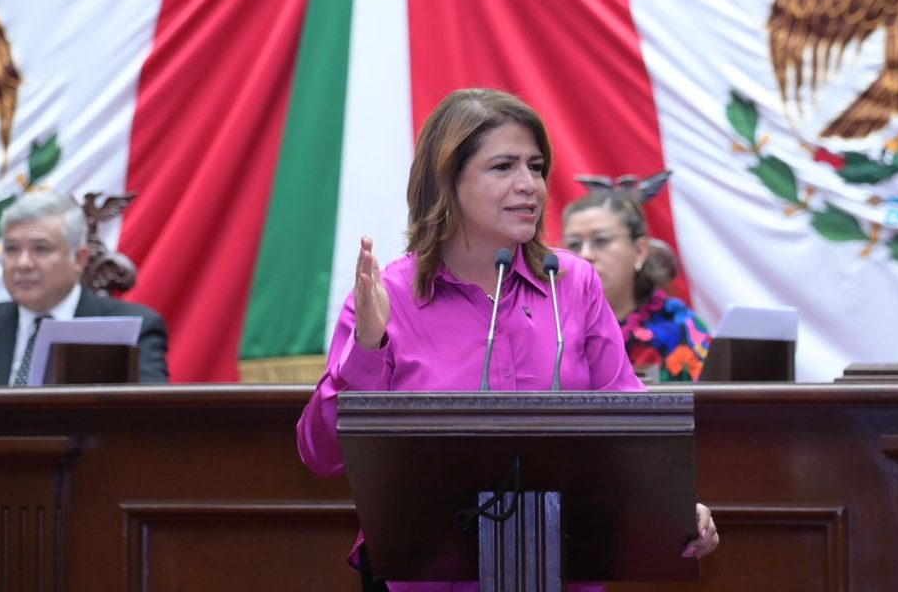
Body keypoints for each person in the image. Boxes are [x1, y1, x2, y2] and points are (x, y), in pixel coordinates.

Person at [296, 89, 718, 591]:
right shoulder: (388, 297)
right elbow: (322, 456)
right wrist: (367, 349)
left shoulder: (572, 283)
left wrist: (676, 506)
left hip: (562, 569)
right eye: (503, 167)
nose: (529, 185)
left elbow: (629, 427)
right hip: (432, 575)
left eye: (535, 167)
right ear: (447, 180)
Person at [0, 190, 168, 384]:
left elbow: (153, 418)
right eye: (12, 249)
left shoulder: (131, 330)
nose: (23, 264)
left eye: (41, 249)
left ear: (79, 259)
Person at [562, 184, 711, 382]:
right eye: (574, 245)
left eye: (601, 240)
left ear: (640, 251)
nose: (585, 254)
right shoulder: (551, 324)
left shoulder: (680, 327)